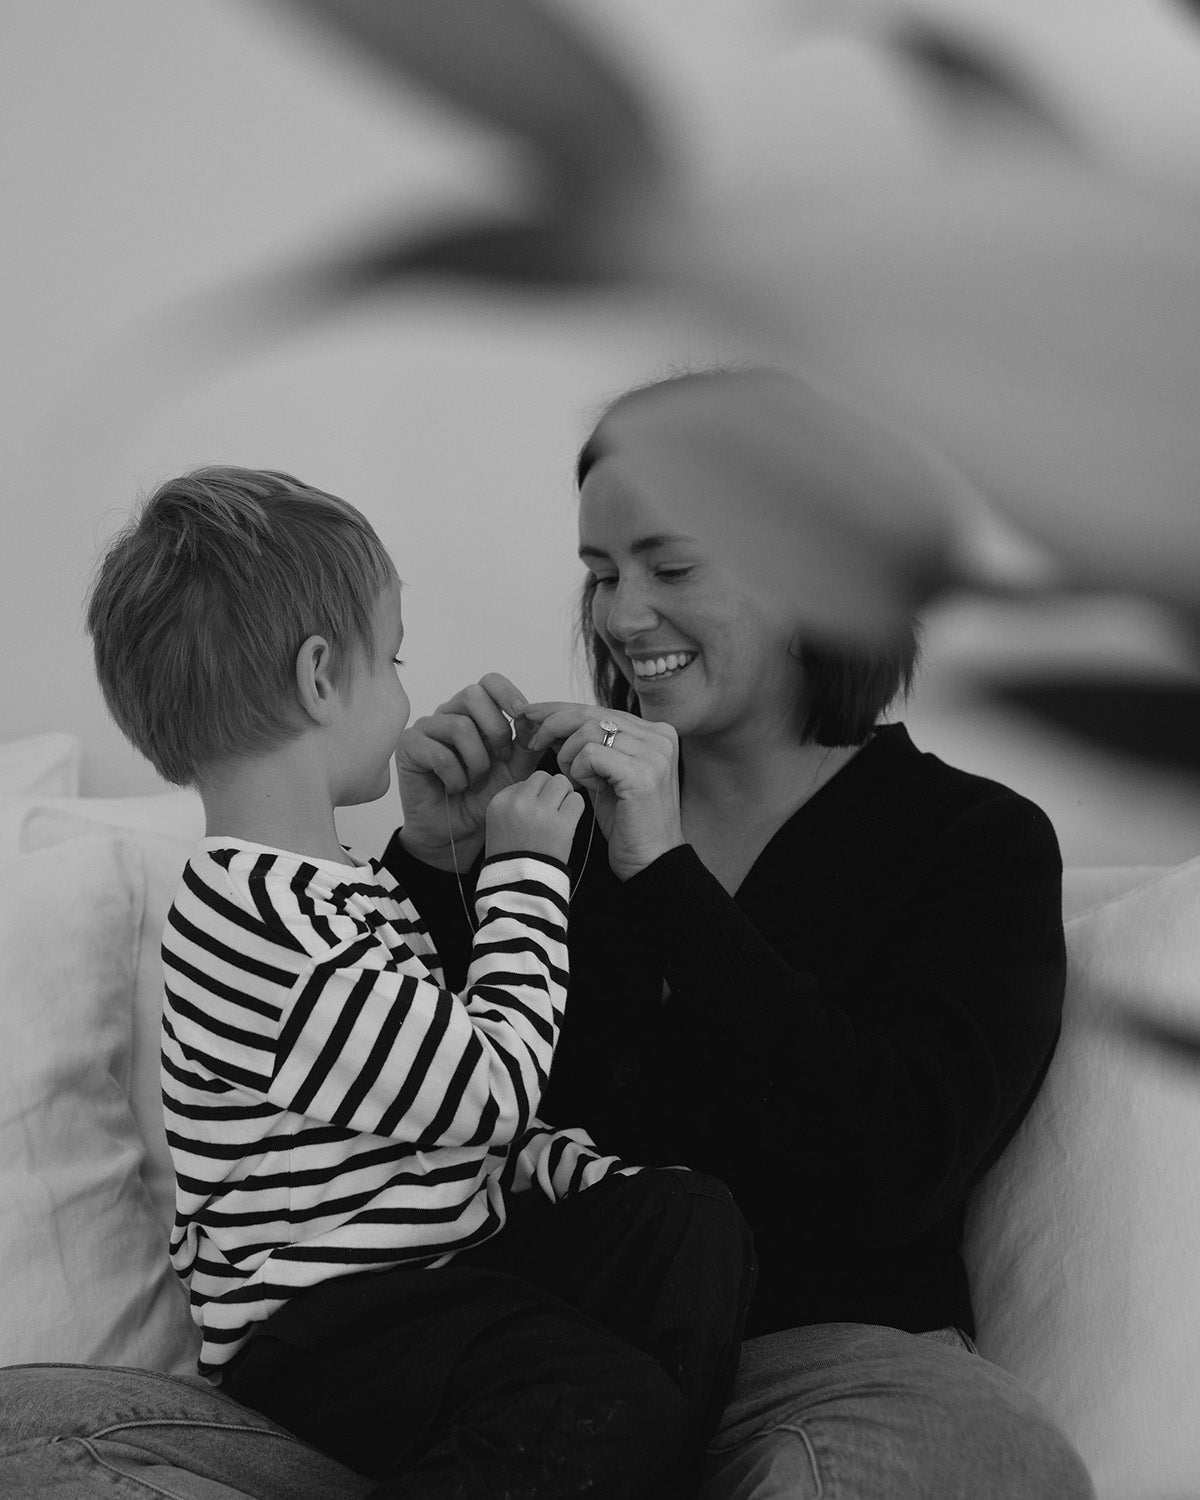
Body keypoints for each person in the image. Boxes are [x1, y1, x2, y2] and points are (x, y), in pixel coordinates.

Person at [386, 370, 1097, 1499]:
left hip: (817, 1376)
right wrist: (433, 865)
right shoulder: (540, 824)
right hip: (527, 1379)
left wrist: (666, 876)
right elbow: (380, 1130)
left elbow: (893, 1169)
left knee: (976, 1453)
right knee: (82, 1425)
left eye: (671, 567)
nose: (621, 616)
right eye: (601, 573)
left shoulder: (975, 843)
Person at [84, 464, 755, 1500]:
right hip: (327, 1331)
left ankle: (634, 1457)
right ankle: (623, 1438)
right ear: (320, 678)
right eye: (391, 659)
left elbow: (435, 1127)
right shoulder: (245, 918)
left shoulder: (343, 888)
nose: (406, 693)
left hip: (439, 1279)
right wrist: (522, 874)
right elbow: (486, 1090)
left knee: (687, 1221)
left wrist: (584, 1176)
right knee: (598, 1397)